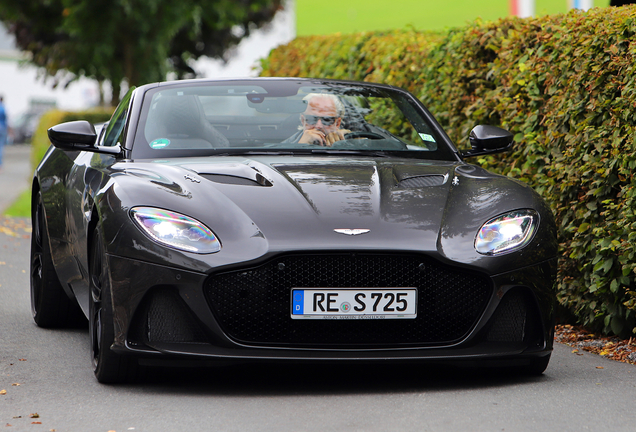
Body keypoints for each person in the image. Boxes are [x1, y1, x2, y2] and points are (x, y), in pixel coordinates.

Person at [286, 93, 350, 146]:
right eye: (312, 119)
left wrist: (347, 139)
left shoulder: (350, 143)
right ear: (303, 120)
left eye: (327, 120)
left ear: (337, 123)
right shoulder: (287, 145)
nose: (318, 126)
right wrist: (301, 145)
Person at [0, 96, 7, 170]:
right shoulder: (3, 108)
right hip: (2, 128)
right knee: (1, 146)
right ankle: (0, 164)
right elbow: (6, 119)